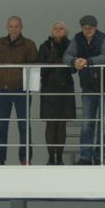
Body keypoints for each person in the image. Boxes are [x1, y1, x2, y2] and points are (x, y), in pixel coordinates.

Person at [0, 16, 38, 165]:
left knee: (24, 125)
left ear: (21, 27)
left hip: (21, 91)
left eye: (16, 26)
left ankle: (25, 158)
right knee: (1, 125)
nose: (14, 29)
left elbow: (34, 67)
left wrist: (27, 85)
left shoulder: (29, 45)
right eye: (11, 26)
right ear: (7, 27)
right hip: (2, 90)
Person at [64, 15, 105, 166]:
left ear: (96, 27)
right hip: (88, 87)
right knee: (87, 123)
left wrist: (88, 61)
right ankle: (86, 156)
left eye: (91, 27)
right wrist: (74, 62)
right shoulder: (77, 39)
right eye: (85, 27)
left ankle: (99, 156)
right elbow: (67, 55)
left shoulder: (104, 38)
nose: (88, 30)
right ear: (81, 27)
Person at [37, 21, 75, 165]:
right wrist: (51, 58)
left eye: (61, 29)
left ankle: (59, 158)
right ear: (51, 31)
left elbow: (74, 69)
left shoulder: (71, 46)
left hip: (66, 87)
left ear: (65, 32)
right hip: (49, 87)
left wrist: (68, 60)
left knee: (62, 124)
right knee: (51, 123)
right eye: (55, 28)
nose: (58, 30)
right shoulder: (44, 46)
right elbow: (40, 70)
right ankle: (51, 158)